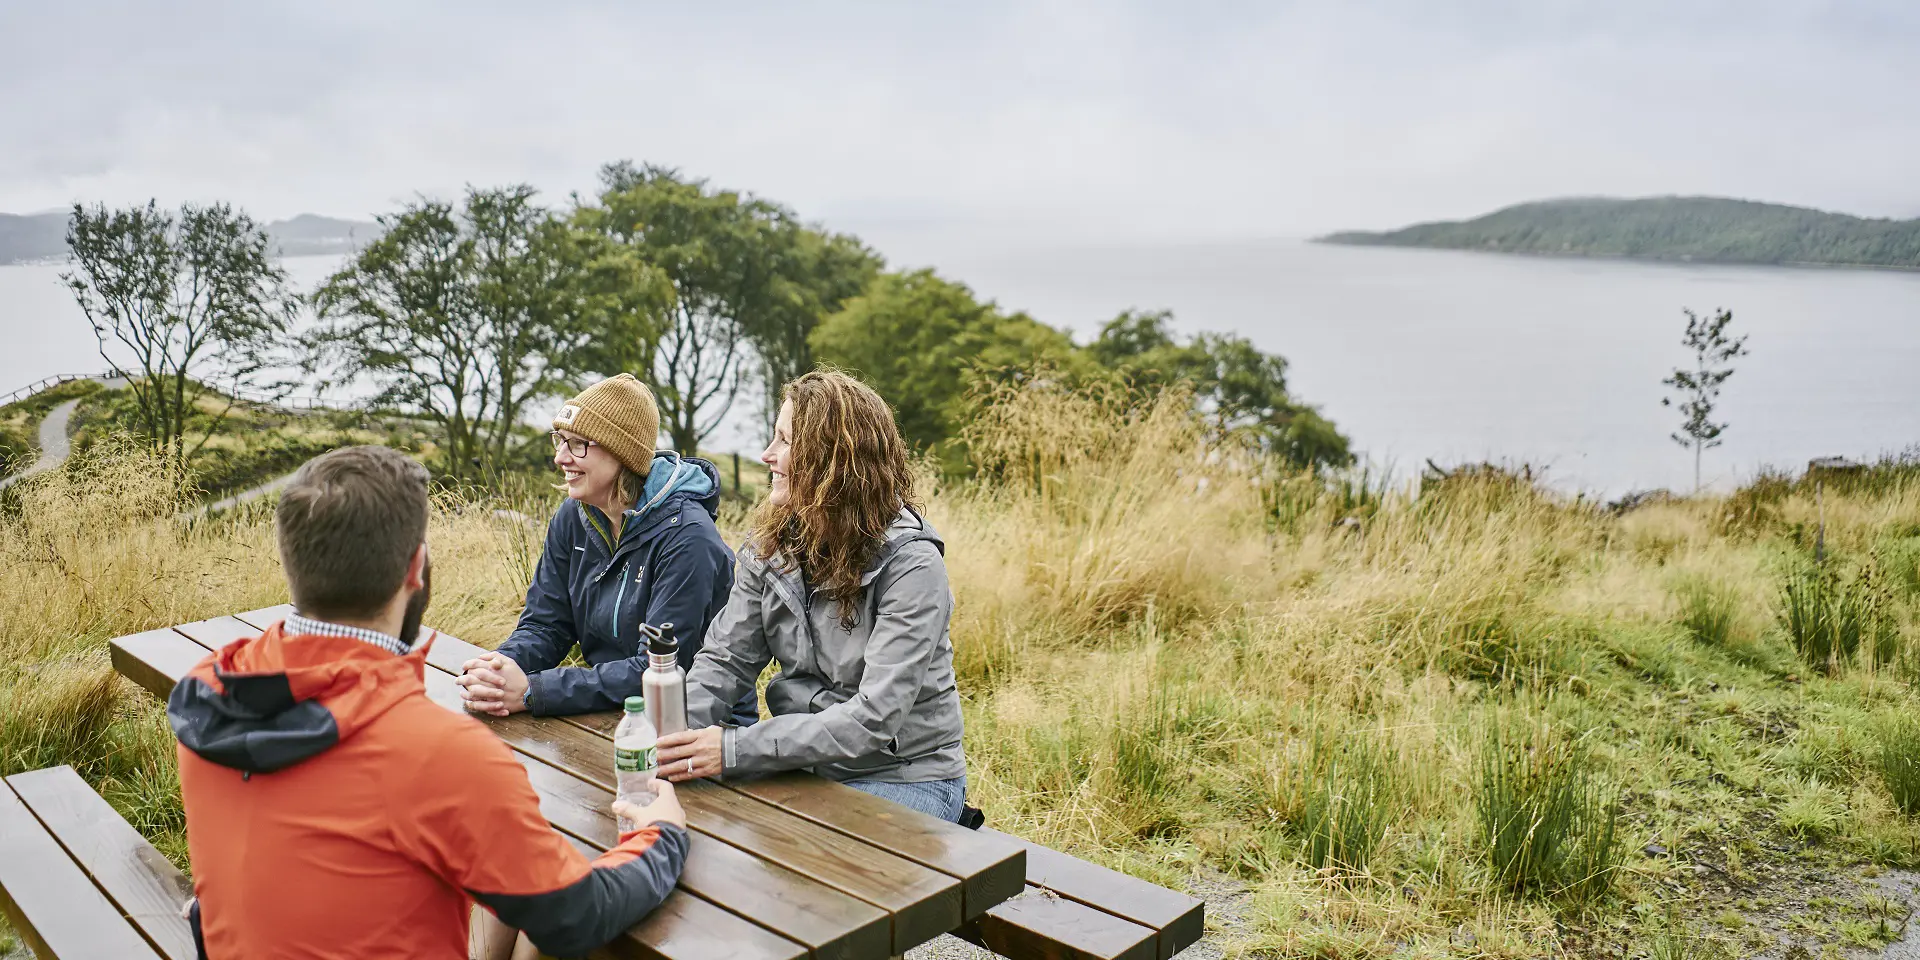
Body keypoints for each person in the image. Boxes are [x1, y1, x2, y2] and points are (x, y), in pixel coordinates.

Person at [167, 445, 689, 960]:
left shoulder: (208, 692)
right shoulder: (439, 756)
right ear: (416, 568)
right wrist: (662, 835)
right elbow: (574, 914)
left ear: (292, 559)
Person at [656, 370, 968, 822]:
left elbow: (873, 719)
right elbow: (725, 661)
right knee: (692, 821)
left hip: (904, 775)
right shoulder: (772, 546)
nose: (768, 455)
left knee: (804, 861)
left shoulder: (914, 566)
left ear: (832, 462)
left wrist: (732, 749)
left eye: (785, 441)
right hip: (805, 765)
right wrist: (668, 737)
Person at [457, 373, 757, 724]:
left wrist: (535, 690)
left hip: (696, 726)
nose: (561, 457)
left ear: (621, 453)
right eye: (560, 440)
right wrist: (501, 667)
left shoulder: (689, 539)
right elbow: (546, 625)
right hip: (611, 711)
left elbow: (656, 668)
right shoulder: (574, 517)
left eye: (578, 444)